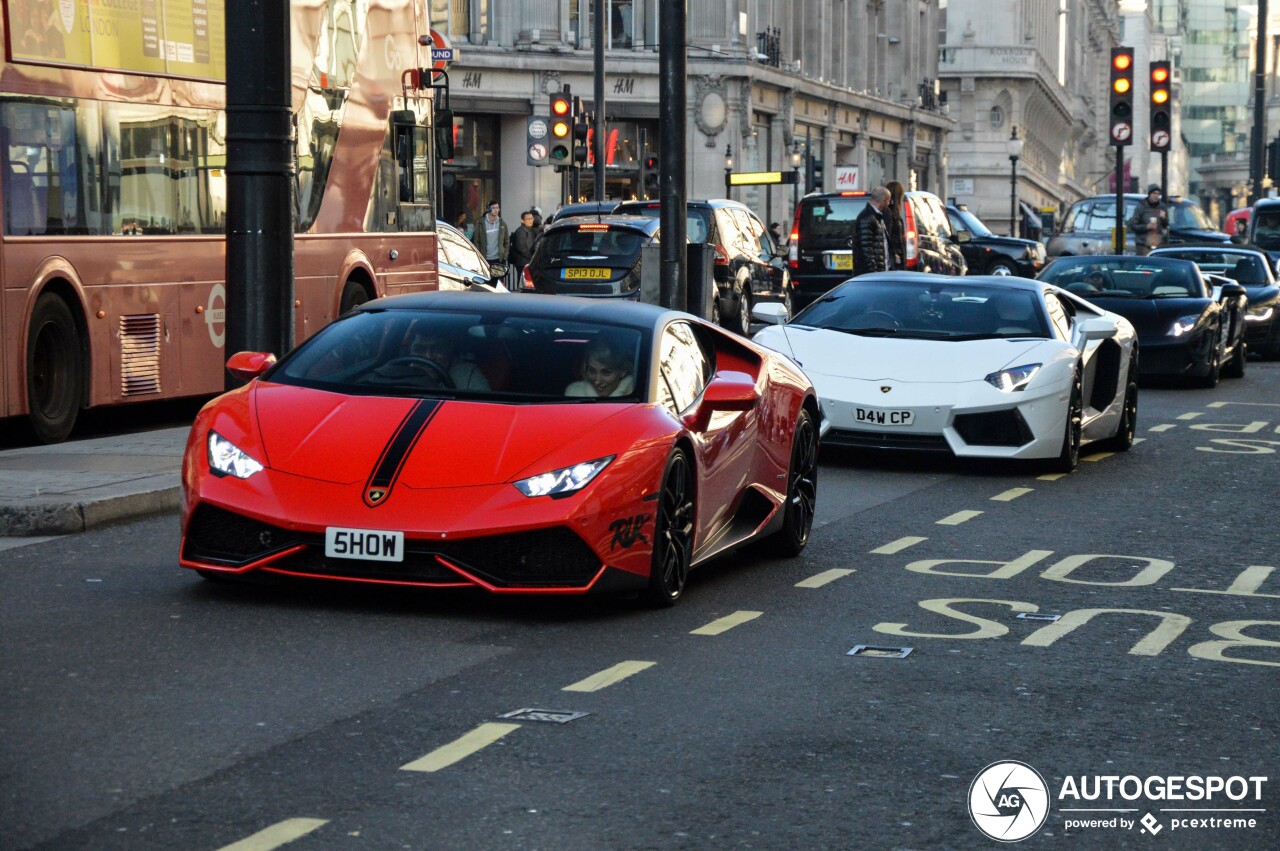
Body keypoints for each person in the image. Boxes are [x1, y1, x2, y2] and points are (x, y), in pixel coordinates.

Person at [407, 331, 490, 391]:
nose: (428, 357)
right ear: (410, 351)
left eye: (437, 349)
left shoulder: (468, 374)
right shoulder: (399, 373)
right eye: (419, 349)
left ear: (449, 349)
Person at [565, 337, 635, 398]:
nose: (597, 381)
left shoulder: (638, 397)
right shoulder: (574, 392)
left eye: (606, 372)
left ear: (623, 371)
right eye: (592, 371)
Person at [853, 186, 892, 275]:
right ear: (883, 201)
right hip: (871, 274)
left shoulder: (877, 216)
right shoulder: (867, 218)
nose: (889, 203)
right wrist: (873, 272)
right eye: (888, 201)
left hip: (879, 272)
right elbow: (866, 250)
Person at [1127, 184, 1169, 256]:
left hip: (1158, 243)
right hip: (1143, 244)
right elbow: (1133, 225)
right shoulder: (1141, 206)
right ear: (1149, 194)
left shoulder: (1162, 207)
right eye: (1154, 193)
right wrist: (1147, 226)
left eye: (1158, 194)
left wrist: (1164, 219)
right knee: (1144, 265)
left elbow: (1166, 225)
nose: (1156, 196)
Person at [471, 201, 509, 271]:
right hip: (485, 258)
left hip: (499, 259)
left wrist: (504, 257)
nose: (496, 210)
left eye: (497, 208)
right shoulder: (480, 223)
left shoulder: (502, 223)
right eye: (493, 208)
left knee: (499, 280)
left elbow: (507, 241)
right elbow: (476, 241)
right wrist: (479, 256)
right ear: (488, 209)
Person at [884, 181, 907, 269]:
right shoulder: (888, 213)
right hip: (895, 258)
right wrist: (894, 254)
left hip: (898, 256)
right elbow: (887, 235)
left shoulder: (894, 213)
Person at [509, 210, 539, 278]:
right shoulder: (521, 231)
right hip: (523, 262)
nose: (530, 220)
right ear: (522, 221)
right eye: (528, 219)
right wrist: (532, 258)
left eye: (531, 218)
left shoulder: (530, 230)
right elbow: (521, 247)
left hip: (527, 261)